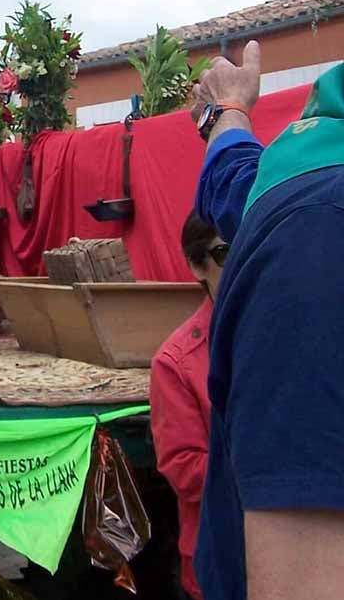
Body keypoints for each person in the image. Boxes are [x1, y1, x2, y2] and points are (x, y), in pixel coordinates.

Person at [191, 39, 344, 600]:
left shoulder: (307, 193)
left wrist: (227, 111)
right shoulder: (319, 220)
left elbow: (240, 187)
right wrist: (227, 113)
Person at [150, 212, 227, 600]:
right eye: (228, 253)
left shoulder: (296, 337)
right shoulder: (177, 361)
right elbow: (184, 469)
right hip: (221, 559)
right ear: (198, 265)